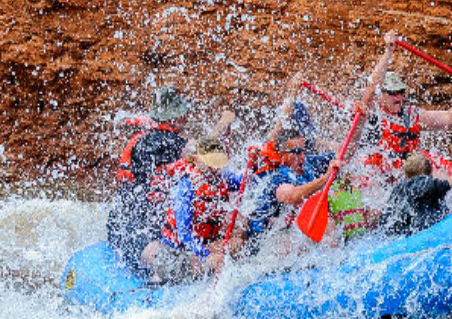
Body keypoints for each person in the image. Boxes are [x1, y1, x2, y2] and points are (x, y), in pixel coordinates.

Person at [356, 29, 452, 186]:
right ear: (381, 96)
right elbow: (372, 88)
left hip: (407, 170)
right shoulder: (371, 112)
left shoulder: (411, 114)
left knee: (448, 171)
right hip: (378, 173)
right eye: (392, 93)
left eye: (401, 92)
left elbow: (449, 119)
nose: (398, 97)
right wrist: (388, 52)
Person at [106, 86, 193, 270]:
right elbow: (201, 155)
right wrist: (222, 125)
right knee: (171, 263)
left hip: (121, 225)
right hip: (135, 232)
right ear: (172, 118)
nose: (187, 116)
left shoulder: (147, 137)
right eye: (183, 113)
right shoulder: (162, 141)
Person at [143, 135, 244, 284]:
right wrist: (207, 255)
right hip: (178, 253)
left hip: (202, 244)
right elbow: (184, 233)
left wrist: (254, 164)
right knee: (231, 246)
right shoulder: (187, 186)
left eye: (217, 164)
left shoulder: (220, 176)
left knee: (239, 234)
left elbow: (243, 182)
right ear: (197, 160)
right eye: (210, 164)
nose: (213, 169)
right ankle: (164, 273)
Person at [242, 124, 343, 253]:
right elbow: (291, 196)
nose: (302, 156)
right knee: (290, 244)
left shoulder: (308, 164)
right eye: (296, 152)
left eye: (303, 150)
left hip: (292, 230)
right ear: (282, 155)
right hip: (264, 242)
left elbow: (343, 155)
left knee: (328, 225)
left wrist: (359, 121)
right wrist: (324, 179)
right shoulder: (274, 175)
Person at [376, 152, 452, 236]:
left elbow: (386, 216)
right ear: (429, 173)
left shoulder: (399, 189)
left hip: (403, 235)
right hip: (422, 234)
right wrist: (447, 183)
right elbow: (426, 185)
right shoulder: (421, 182)